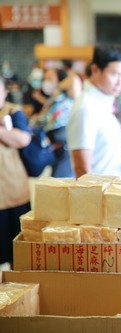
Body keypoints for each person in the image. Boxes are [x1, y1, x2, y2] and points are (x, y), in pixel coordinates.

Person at [67, 43, 121, 178]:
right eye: (115, 74)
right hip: (100, 197)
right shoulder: (86, 108)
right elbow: (82, 170)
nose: (120, 82)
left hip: (115, 191)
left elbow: (102, 158)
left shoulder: (103, 104)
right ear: (95, 70)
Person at [0, 76, 31, 270]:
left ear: (4, 93)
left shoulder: (13, 112)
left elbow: (23, 139)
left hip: (14, 192)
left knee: (17, 250)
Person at [31, 68, 75, 177]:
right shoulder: (51, 101)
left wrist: (59, 86)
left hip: (66, 150)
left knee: (59, 184)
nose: (46, 82)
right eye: (45, 78)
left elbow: (74, 80)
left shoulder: (68, 97)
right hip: (53, 150)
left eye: (50, 78)